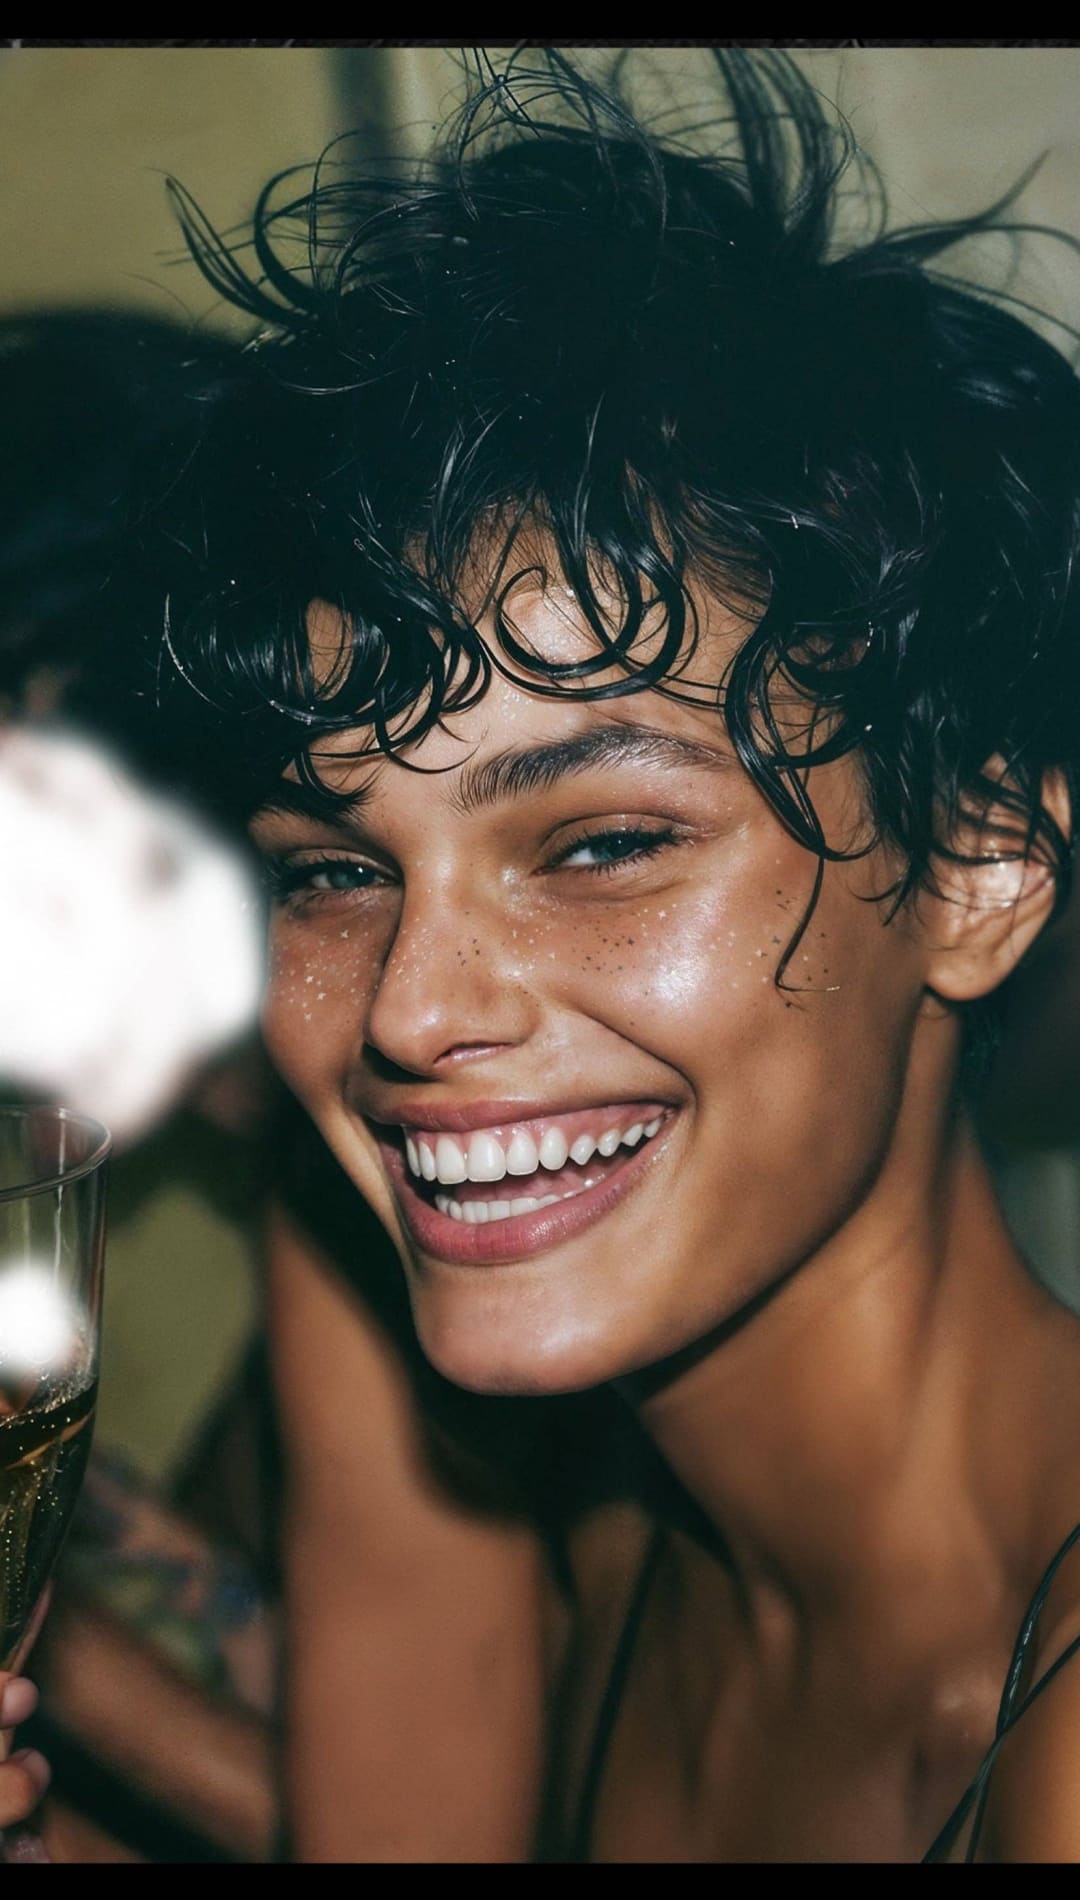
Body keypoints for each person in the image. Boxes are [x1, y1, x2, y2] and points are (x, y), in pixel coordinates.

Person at [135, 49, 1080, 1861]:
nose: (411, 1008)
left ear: (981, 861)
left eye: (604, 845)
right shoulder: (617, 1531)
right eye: (331, 874)